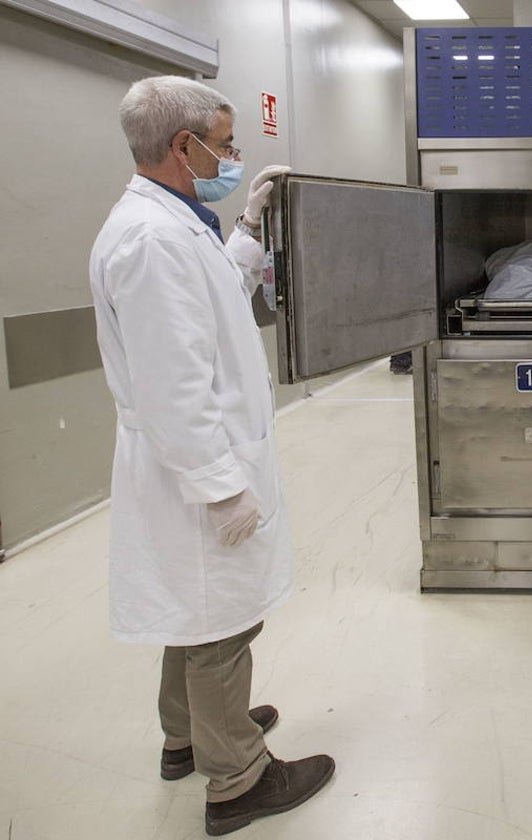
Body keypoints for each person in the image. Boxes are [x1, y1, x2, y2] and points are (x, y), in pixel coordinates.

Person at [89, 76, 334, 836]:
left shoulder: (172, 226)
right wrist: (221, 486)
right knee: (220, 624)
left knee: (191, 611)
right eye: (225, 145)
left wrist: (252, 223)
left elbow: (218, 296)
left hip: (193, 459)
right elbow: (174, 385)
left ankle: (186, 735)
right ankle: (238, 778)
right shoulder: (153, 240)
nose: (232, 156)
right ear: (181, 147)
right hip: (194, 467)